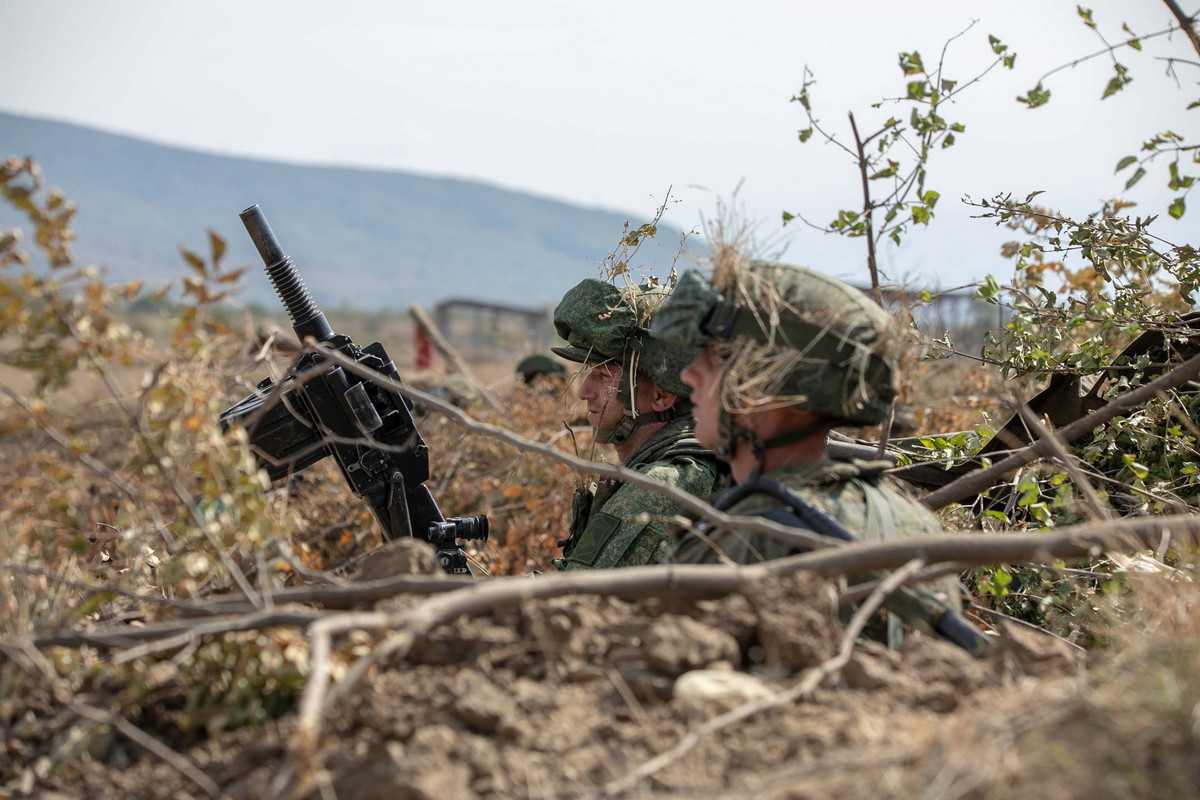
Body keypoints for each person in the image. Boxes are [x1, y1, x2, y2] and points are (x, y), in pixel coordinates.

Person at [650, 260, 985, 651]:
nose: (691, 373)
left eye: (717, 359)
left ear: (761, 386)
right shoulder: (912, 519)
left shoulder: (751, 536)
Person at [549, 277, 727, 570]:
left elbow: (569, 598)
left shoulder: (664, 485)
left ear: (661, 395)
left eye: (604, 375)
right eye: (588, 372)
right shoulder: (678, 465)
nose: (583, 391)